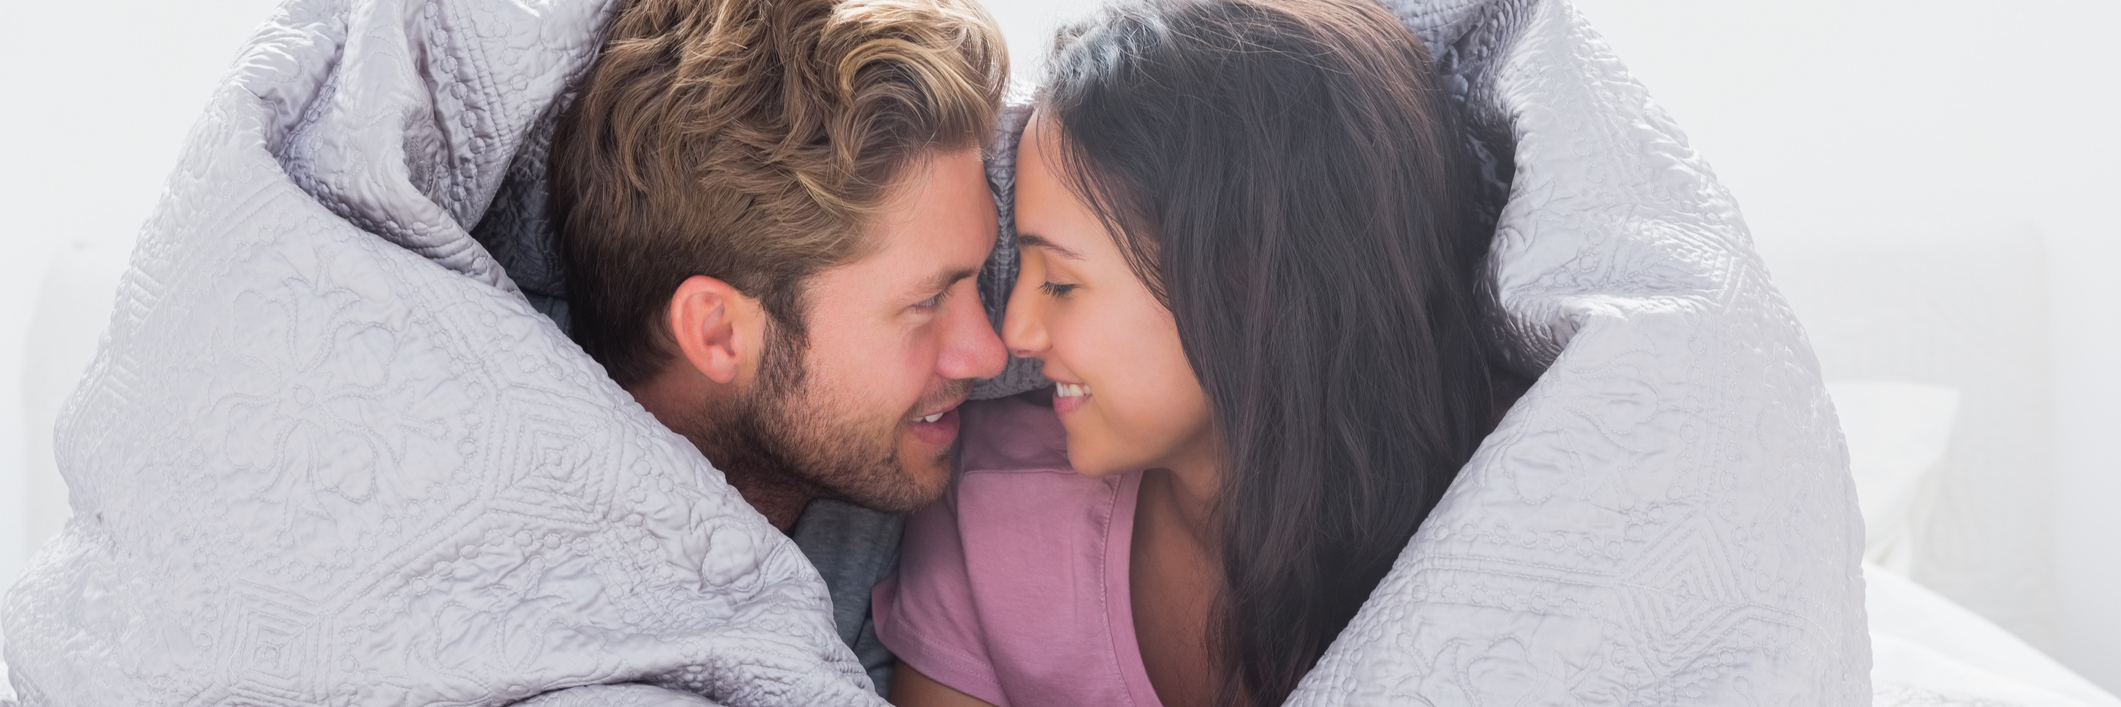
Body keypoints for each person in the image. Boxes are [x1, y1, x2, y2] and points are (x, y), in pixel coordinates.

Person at [874, 0, 1526, 704]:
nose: (1015, 336)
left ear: (1251, 286)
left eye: (1060, 282)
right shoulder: (987, 508)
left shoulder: (1514, 506)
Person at [547, 0, 1009, 693]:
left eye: (975, 279)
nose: (989, 354)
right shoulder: (548, 588)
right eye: (926, 302)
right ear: (718, 331)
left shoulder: (874, 492)